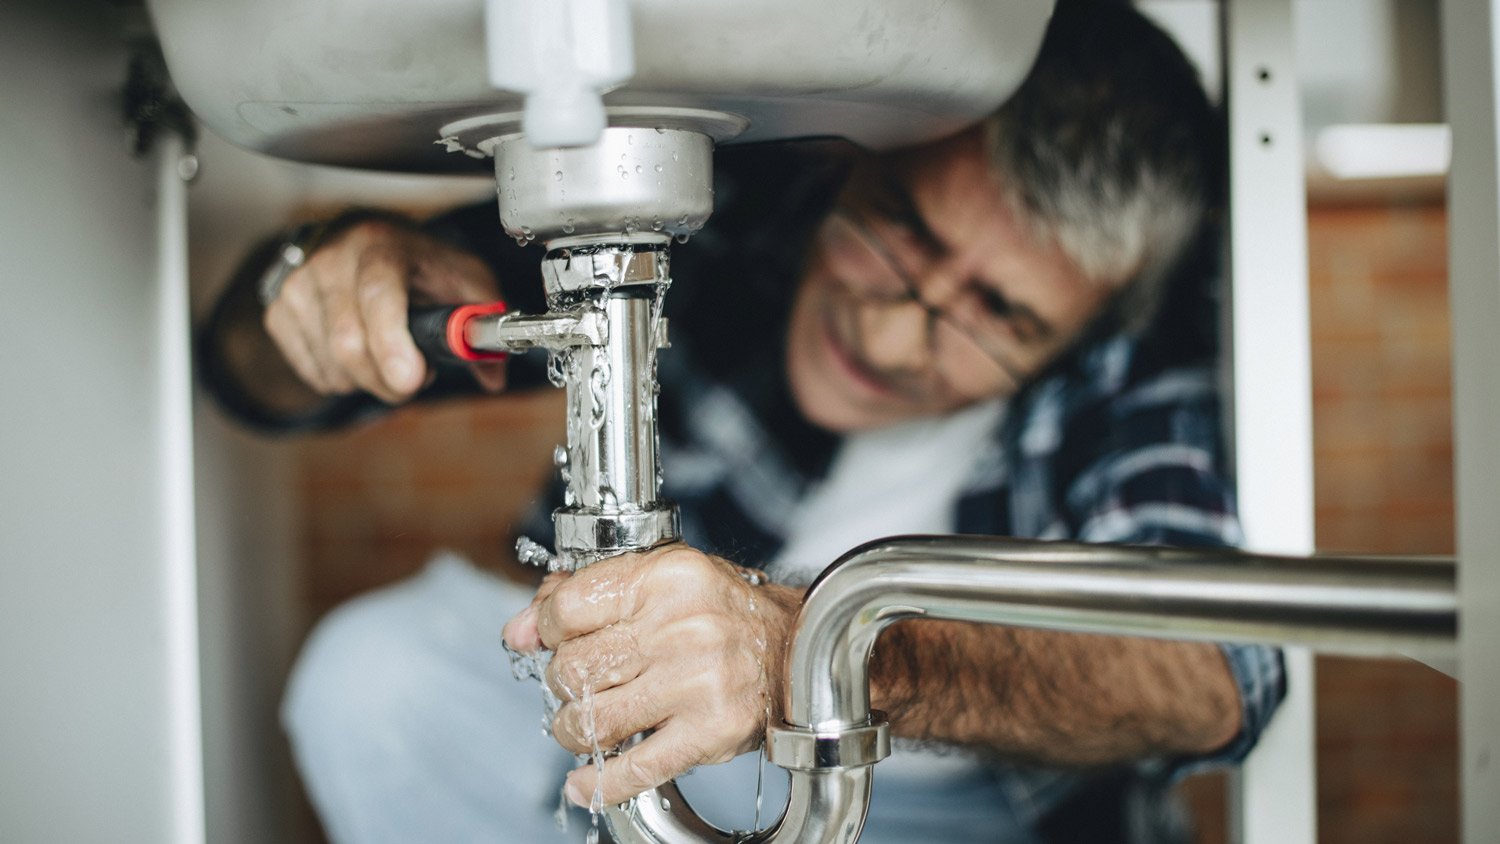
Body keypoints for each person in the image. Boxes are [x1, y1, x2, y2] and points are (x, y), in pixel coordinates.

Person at [200, 3, 1284, 842]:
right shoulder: (744, 209)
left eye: (999, 314)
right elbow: (253, 377)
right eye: (901, 231)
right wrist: (322, 279)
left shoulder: (1139, 355)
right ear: (862, 157)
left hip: (963, 807)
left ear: (1082, 328)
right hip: (668, 749)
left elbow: (1207, 674)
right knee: (375, 681)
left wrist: (811, 657)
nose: (898, 336)